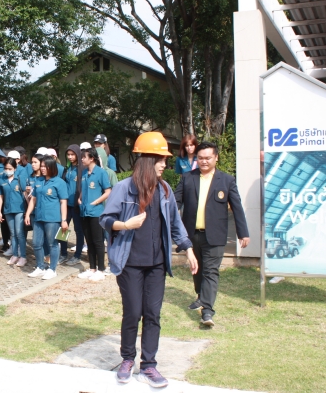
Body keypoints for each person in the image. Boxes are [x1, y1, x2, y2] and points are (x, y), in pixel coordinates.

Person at [99, 131, 198, 388]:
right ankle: (127, 359)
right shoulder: (124, 188)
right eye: (160, 159)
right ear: (146, 161)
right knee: (133, 312)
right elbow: (105, 219)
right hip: (129, 263)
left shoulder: (164, 190)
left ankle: (149, 365)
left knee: (153, 314)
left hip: (157, 265)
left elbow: (175, 223)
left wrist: (188, 249)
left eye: (165, 159)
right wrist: (125, 224)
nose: (164, 164)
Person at [174, 141, 250, 327]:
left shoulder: (227, 180)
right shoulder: (187, 178)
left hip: (215, 235)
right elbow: (175, 202)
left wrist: (243, 233)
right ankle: (201, 296)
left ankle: (207, 311)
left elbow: (237, 207)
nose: (204, 161)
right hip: (192, 234)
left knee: (211, 271)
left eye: (208, 158)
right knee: (197, 269)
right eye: (200, 158)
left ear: (216, 158)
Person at [24, 155, 68, 280]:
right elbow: (33, 199)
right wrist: (27, 214)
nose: (42, 168)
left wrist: (64, 220)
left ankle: (52, 269)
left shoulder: (59, 182)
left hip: (52, 218)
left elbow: (63, 202)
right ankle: (40, 267)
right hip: (39, 217)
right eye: (42, 166)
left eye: (45, 166)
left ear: (52, 167)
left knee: (52, 244)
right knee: (36, 243)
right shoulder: (38, 180)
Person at [77, 148, 112, 281]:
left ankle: (101, 269)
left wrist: (95, 202)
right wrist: (80, 198)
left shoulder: (101, 173)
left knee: (98, 241)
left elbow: (108, 191)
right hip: (84, 211)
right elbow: (84, 189)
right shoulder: (84, 173)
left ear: (92, 158)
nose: (82, 159)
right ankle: (92, 268)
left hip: (96, 212)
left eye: (84, 157)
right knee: (89, 241)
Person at [0, 159, 28, 267]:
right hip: (8, 209)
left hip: (19, 209)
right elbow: (0, 196)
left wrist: (28, 211)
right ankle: (14, 255)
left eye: (10, 168)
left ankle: (23, 256)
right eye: (6, 168)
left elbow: (25, 194)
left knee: (20, 233)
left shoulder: (19, 179)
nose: (7, 170)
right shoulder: (2, 179)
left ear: (15, 168)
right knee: (13, 234)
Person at [60, 144, 85, 266]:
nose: (70, 157)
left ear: (78, 155)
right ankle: (63, 254)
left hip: (77, 206)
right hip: (66, 205)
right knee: (63, 229)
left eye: (72, 154)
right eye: (68, 155)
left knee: (78, 231)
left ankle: (77, 255)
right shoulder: (67, 169)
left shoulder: (82, 169)